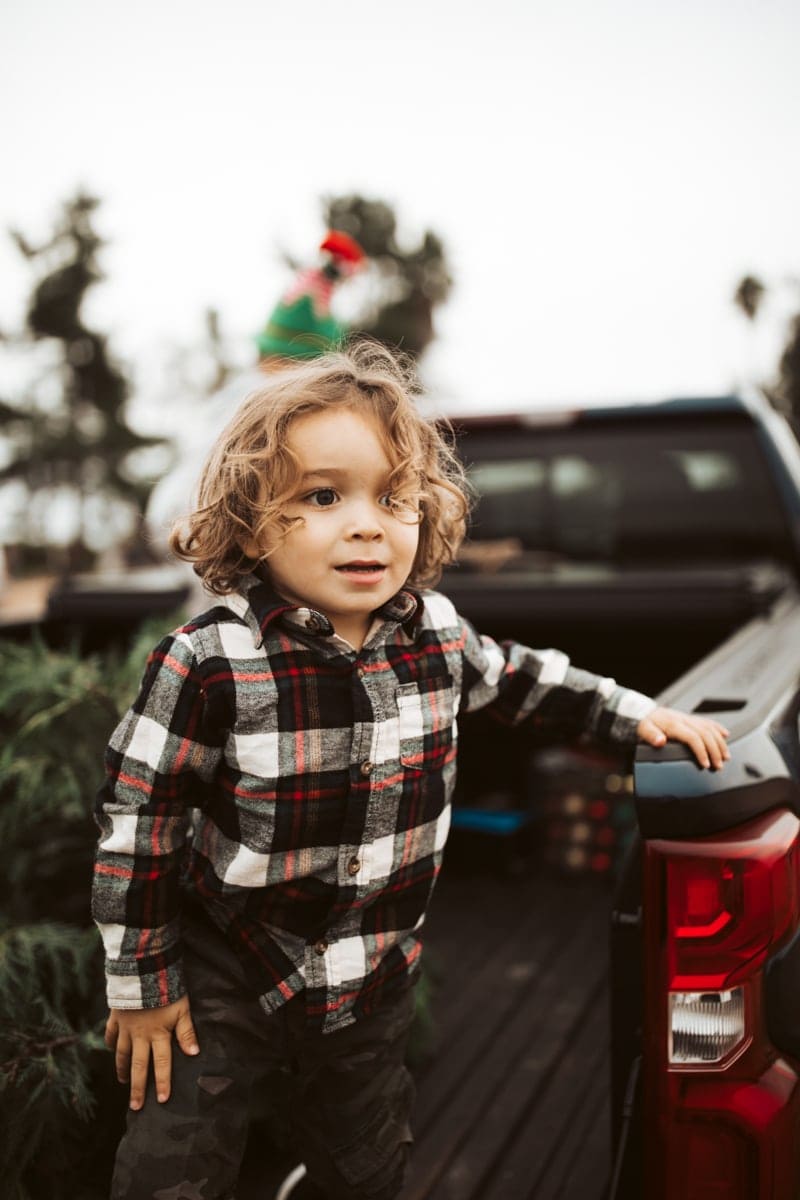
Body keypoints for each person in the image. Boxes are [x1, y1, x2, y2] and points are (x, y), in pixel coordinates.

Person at [92, 340, 730, 1200]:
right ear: (249, 519)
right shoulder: (208, 661)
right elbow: (138, 823)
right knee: (176, 1165)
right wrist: (142, 984)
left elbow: (526, 681)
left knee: (368, 1163)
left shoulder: (435, 633)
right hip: (227, 969)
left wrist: (636, 715)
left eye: (395, 497)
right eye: (323, 496)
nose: (367, 523)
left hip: (373, 974)